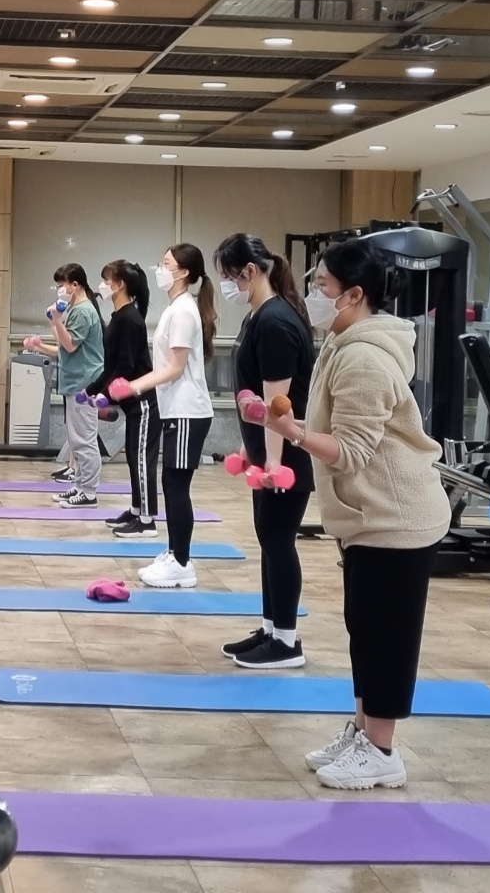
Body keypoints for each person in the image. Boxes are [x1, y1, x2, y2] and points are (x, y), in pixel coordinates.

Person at [259, 238, 451, 790]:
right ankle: (366, 734)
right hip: (369, 515)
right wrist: (283, 423)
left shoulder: (364, 358)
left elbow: (351, 451)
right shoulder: (343, 345)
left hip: (396, 517)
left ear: (354, 295)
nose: (314, 294)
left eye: (323, 286)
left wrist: (292, 433)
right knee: (364, 630)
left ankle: (383, 751)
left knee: (386, 637)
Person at [214, 233, 316, 669]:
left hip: (286, 455)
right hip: (266, 452)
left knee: (278, 541)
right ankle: (271, 629)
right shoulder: (257, 316)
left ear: (250, 272)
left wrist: (273, 463)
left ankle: (287, 642)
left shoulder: (275, 322)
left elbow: (278, 405)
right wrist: (248, 447)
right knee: (268, 539)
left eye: (229, 277)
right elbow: (252, 398)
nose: (227, 286)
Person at [113, 244, 216, 588]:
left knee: (175, 486)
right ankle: (174, 552)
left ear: (183, 272)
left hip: (188, 411)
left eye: (166, 264)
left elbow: (175, 367)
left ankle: (181, 562)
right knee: (171, 485)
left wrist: (133, 386)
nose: (159, 268)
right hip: (176, 410)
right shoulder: (176, 308)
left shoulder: (184, 310)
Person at [86, 260, 157, 538]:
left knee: (142, 460)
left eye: (107, 280)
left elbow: (126, 366)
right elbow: (111, 366)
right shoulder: (119, 317)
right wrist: (92, 390)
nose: (103, 285)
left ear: (120, 284)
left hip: (143, 401)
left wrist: (105, 395)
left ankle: (147, 520)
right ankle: (136, 509)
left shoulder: (130, 319)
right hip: (130, 403)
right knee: (133, 459)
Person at [26, 264, 105, 508]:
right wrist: (44, 338)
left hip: (84, 383)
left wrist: (57, 320)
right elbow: (64, 347)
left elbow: (70, 345)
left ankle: (88, 492)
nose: (60, 289)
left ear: (75, 285)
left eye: (62, 285)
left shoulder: (83, 311)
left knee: (84, 440)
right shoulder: (75, 310)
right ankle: (80, 486)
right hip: (75, 381)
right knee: (76, 440)